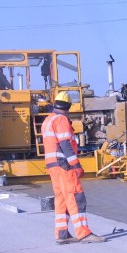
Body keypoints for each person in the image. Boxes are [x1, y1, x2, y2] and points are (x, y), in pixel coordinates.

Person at [42, 91, 106, 244]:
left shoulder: (48, 120)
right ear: (69, 106)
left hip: (52, 165)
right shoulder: (61, 120)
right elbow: (65, 144)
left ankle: (62, 234)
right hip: (64, 164)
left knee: (62, 198)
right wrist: (75, 165)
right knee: (76, 196)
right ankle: (84, 233)